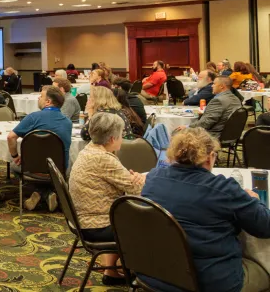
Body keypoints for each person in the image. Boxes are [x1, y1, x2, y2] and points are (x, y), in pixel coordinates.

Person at [140, 127, 270, 292]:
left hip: (154, 274)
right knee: (264, 267)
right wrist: (253, 200)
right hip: (208, 282)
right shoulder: (224, 189)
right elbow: (265, 226)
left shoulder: (153, 178)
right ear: (210, 158)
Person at [69, 112, 147, 286]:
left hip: (85, 218)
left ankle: (111, 270)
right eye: (121, 136)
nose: (122, 139)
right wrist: (140, 179)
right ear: (112, 139)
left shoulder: (89, 149)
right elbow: (137, 189)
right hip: (96, 225)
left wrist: (130, 178)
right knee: (151, 223)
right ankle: (146, 276)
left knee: (126, 213)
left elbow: (121, 182)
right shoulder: (104, 159)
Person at [7, 87, 72, 212]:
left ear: (48, 101)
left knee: (14, 165)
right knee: (71, 161)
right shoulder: (67, 122)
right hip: (58, 168)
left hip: (33, 167)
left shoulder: (33, 117)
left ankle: (39, 191)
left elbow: (11, 137)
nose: (38, 98)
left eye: (41, 96)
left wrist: (15, 156)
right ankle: (49, 193)